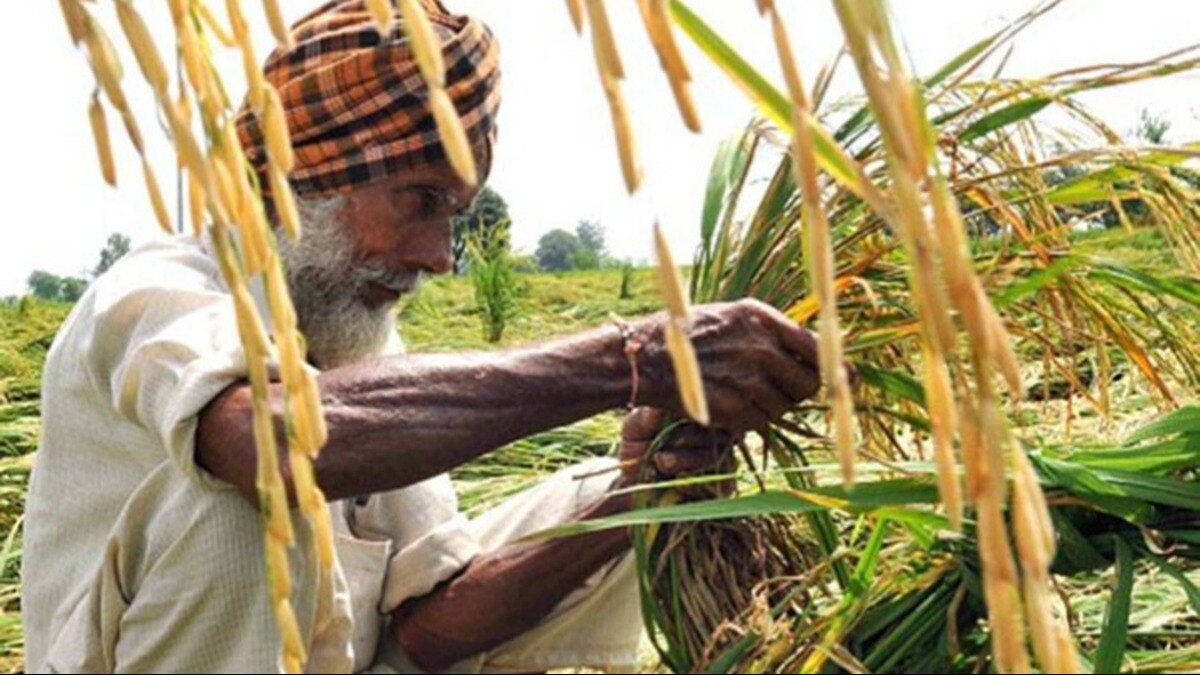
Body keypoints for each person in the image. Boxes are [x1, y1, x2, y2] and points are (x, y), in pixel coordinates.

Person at [21, 1, 822, 672]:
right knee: (258, 503)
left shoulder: (361, 350)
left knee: (597, 496)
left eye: (455, 213)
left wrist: (638, 496)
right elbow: (273, 444)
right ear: (301, 176)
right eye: (420, 199)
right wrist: (635, 358)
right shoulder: (152, 293)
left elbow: (427, 625)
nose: (440, 256)